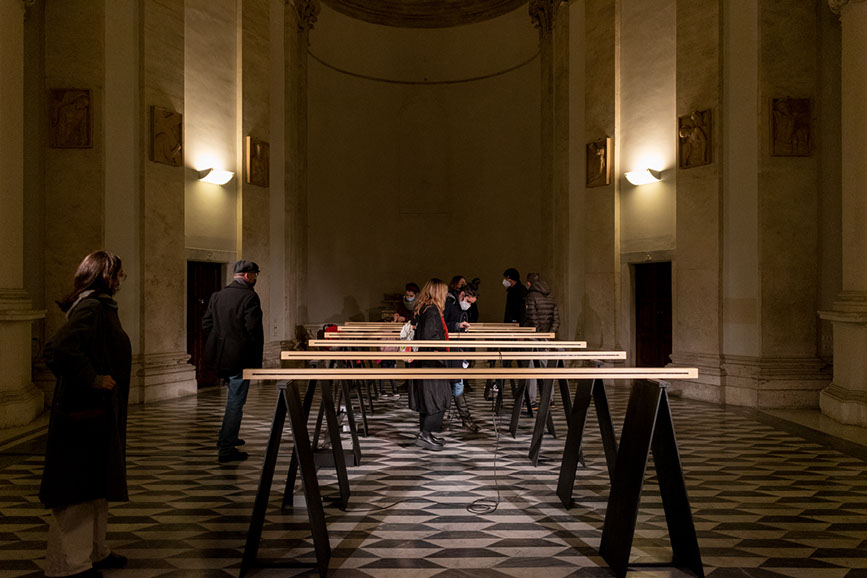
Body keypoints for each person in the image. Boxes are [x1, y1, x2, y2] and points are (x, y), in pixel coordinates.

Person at [40, 250, 131, 578]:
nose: (120, 280)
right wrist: (92, 378)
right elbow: (57, 348)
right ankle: (71, 565)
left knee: (95, 484)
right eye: (118, 274)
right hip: (83, 413)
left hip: (96, 412)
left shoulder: (97, 306)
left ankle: (94, 551)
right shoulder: (92, 307)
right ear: (107, 276)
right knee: (78, 487)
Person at [203, 259, 264, 464]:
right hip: (240, 357)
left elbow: (206, 324)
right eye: (255, 274)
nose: (255, 278)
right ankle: (226, 448)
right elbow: (253, 330)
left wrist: (222, 339)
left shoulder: (217, 296)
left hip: (221, 357)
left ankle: (229, 436)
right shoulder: (249, 297)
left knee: (233, 399)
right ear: (247, 275)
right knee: (235, 402)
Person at [408, 278, 453, 450]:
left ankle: (426, 433)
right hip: (432, 361)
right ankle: (425, 434)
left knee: (427, 399)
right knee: (439, 398)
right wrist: (441, 348)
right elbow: (430, 337)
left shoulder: (422, 308)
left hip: (423, 360)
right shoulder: (432, 310)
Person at [443, 282, 480, 432]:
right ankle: (464, 420)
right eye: (468, 302)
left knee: (457, 384)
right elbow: (442, 325)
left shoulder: (460, 307)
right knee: (452, 385)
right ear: (462, 295)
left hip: (458, 351)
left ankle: (465, 419)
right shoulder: (449, 303)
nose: (469, 306)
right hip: (449, 351)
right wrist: (457, 325)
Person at [523, 272, 560, 409]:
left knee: (531, 369)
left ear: (529, 283)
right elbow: (556, 320)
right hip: (547, 338)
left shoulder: (530, 296)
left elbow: (531, 317)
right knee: (547, 368)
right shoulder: (550, 297)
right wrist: (549, 335)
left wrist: (539, 336)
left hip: (534, 337)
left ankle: (531, 400)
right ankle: (550, 399)